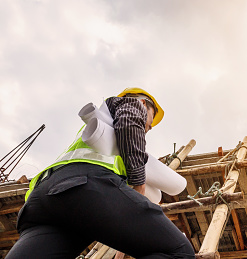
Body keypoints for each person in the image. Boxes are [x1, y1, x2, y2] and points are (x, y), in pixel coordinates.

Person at [6, 88, 196, 259]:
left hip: (43, 201)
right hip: (83, 188)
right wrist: (139, 187)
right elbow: (130, 126)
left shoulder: (104, 129)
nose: (149, 128)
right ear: (143, 103)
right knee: (178, 252)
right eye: (150, 120)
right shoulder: (131, 104)